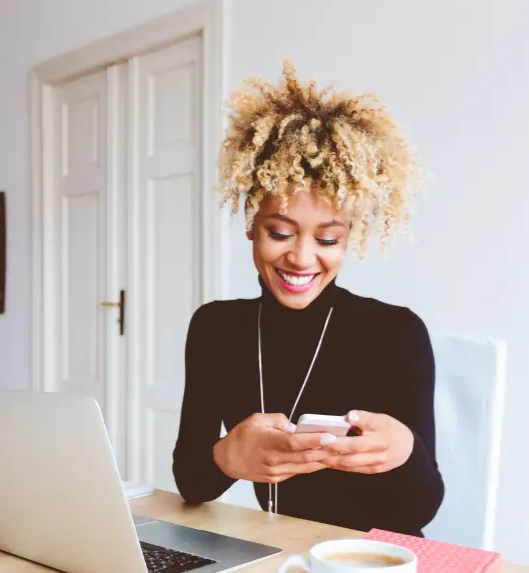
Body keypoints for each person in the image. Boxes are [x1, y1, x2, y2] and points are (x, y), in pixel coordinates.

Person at [171, 60, 444, 536]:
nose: (300, 258)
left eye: (327, 239)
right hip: (275, 552)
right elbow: (191, 482)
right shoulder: (215, 328)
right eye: (280, 232)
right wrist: (227, 455)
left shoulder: (396, 332)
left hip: (372, 565)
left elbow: (421, 510)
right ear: (251, 226)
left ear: (348, 239)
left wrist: (405, 450)